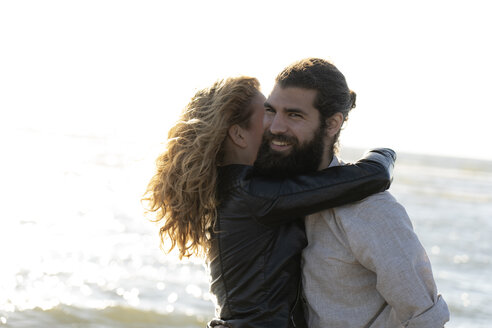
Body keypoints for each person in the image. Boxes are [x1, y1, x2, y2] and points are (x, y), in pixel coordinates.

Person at [143, 76, 396, 327]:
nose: (276, 124)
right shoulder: (255, 195)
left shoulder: (233, 189)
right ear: (239, 135)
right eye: (266, 112)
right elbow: (373, 176)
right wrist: (384, 153)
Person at [255, 57, 450, 327]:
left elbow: (424, 319)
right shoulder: (266, 192)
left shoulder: (370, 209)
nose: (276, 126)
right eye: (271, 111)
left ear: (333, 123)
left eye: (294, 115)